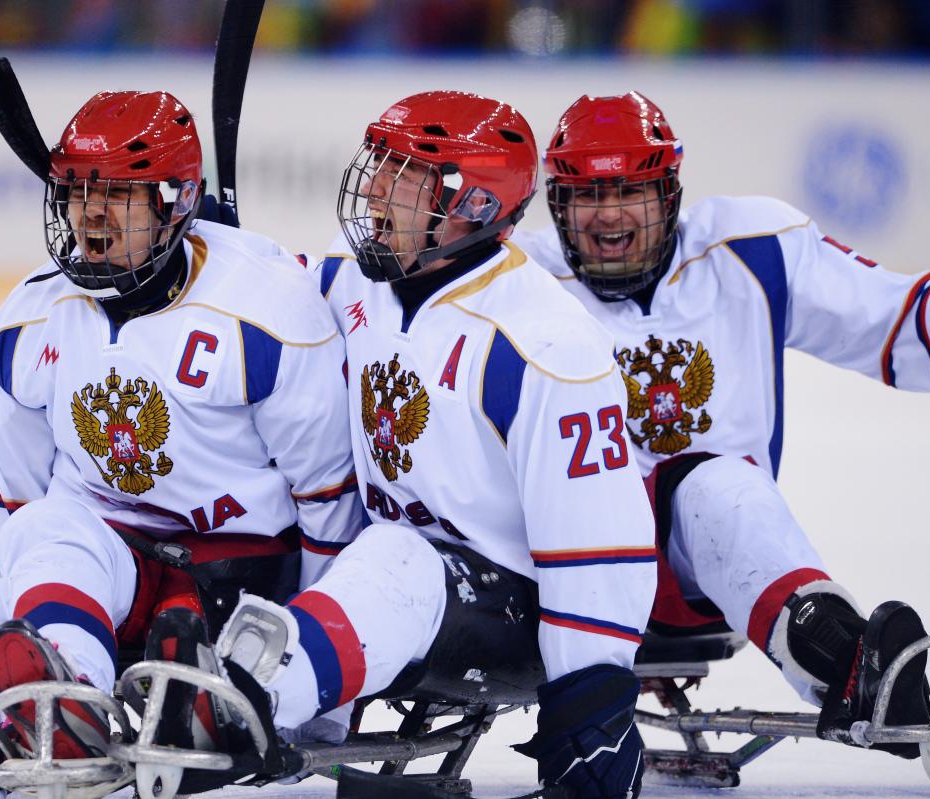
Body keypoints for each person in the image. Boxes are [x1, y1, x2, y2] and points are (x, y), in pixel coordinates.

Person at [160, 90, 658, 799]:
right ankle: (212, 677)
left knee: (395, 554)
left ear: (474, 205)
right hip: (396, 575)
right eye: (382, 167)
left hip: (516, 614)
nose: (377, 190)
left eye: (405, 176)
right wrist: (215, 254)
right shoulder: (356, 277)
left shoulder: (545, 342)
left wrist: (593, 705)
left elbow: (600, 549)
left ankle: (238, 699)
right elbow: (273, 302)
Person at [514, 91, 930, 758]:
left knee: (717, 484)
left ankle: (848, 660)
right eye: (586, 193)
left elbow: (922, 339)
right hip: (551, 570)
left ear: (670, 191)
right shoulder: (517, 281)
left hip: (699, 575)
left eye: (630, 189)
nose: (608, 214)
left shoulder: (755, 250)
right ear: (557, 204)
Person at [0, 89, 361, 797]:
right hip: (119, 576)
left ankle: (198, 675)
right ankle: (61, 693)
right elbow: (2, 513)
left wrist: (320, 688)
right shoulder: (29, 321)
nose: (90, 214)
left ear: (175, 203)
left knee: (190, 623)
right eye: (77, 190)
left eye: (118, 194)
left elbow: (330, 504)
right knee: (44, 525)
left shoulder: (268, 311)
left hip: (245, 584)